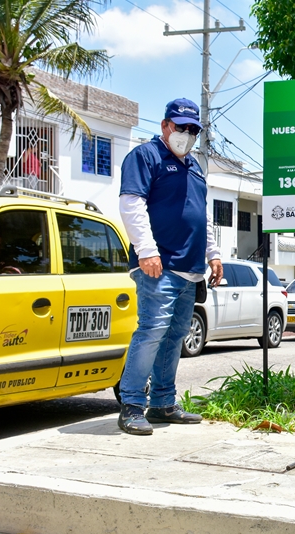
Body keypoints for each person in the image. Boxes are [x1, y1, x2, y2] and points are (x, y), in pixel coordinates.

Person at [117, 98, 222, 436]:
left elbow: (201, 216)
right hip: (157, 266)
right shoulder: (145, 156)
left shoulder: (194, 166)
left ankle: (162, 402)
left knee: (175, 334)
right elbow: (131, 203)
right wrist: (146, 250)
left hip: (189, 268)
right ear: (165, 126)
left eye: (193, 130)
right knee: (152, 330)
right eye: (181, 127)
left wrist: (213, 255)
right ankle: (132, 403)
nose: (187, 135)